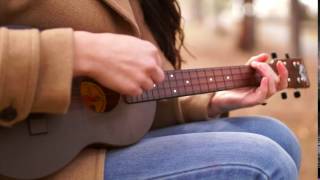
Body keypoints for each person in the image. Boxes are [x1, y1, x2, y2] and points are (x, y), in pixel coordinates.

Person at [0, 0, 300, 179]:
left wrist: (213, 101)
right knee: (264, 160)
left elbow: (139, 92)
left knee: (276, 134)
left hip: (84, 147)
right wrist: (78, 52)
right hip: (28, 162)